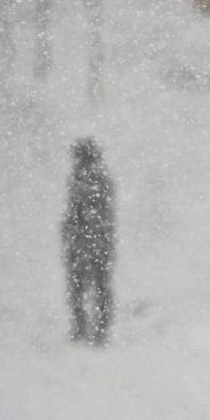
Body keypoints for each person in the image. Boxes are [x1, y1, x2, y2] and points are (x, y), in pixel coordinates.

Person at [61, 137, 115, 345]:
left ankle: (85, 327)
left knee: (82, 286)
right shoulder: (98, 178)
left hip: (86, 242)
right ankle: (95, 327)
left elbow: (81, 212)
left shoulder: (85, 179)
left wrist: (74, 231)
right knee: (97, 286)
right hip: (95, 242)